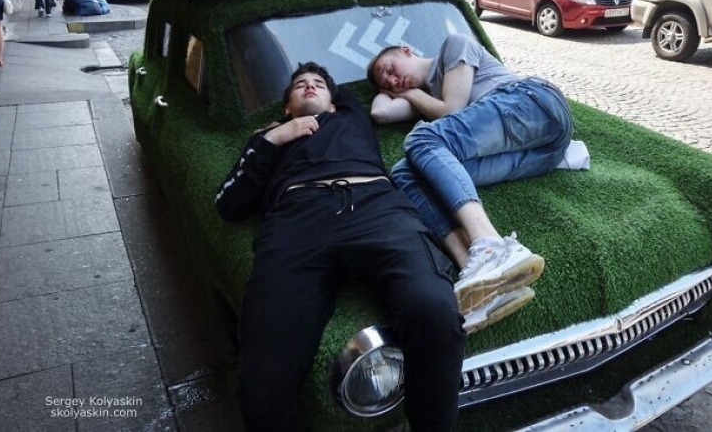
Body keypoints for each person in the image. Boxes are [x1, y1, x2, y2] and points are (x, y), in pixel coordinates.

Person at [215, 63, 464, 432]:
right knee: (263, 374)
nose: (310, 86)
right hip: (297, 219)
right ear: (286, 106)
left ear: (334, 102)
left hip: (375, 206)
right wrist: (276, 136)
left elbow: (368, 82)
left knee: (434, 310)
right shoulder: (270, 138)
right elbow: (229, 204)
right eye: (300, 85)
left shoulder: (350, 115)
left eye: (318, 84)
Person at [367, 34, 573, 331]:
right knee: (405, 172)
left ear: (406, 50)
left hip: (532, 104)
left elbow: (451, 110)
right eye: (385, 84)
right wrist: (404, 93)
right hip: (542, 155)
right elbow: (380, 113)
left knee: (421, 138)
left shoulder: (453, 45)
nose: (391, 81)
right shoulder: (427, 97)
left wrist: (409, 93)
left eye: (389, 69)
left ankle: (491, 245)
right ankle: (481, 280)